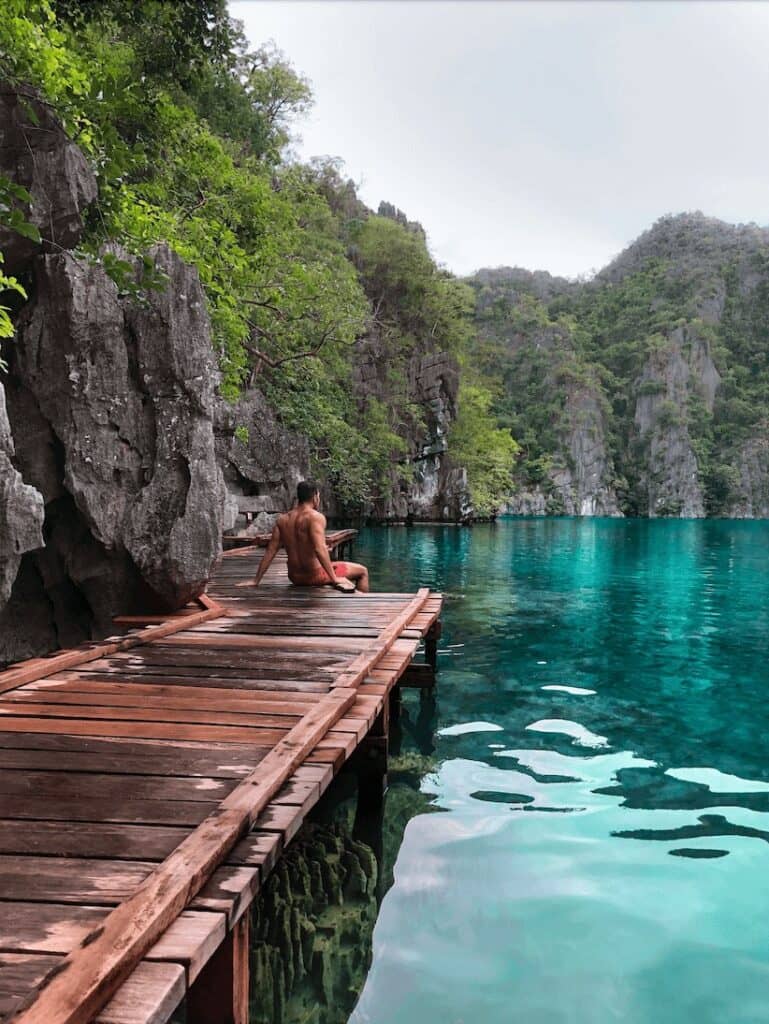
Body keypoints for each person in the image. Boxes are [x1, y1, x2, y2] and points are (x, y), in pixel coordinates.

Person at [245, 481, 370, 592]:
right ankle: (364, 606)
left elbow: (270, 551)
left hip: (294, 577)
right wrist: (334, 578)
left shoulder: (283, 520)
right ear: (315, 496)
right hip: (314, 575)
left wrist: (256, 580)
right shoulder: (315, 517)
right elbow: (319, 549)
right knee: (363, 571)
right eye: (319, 496)